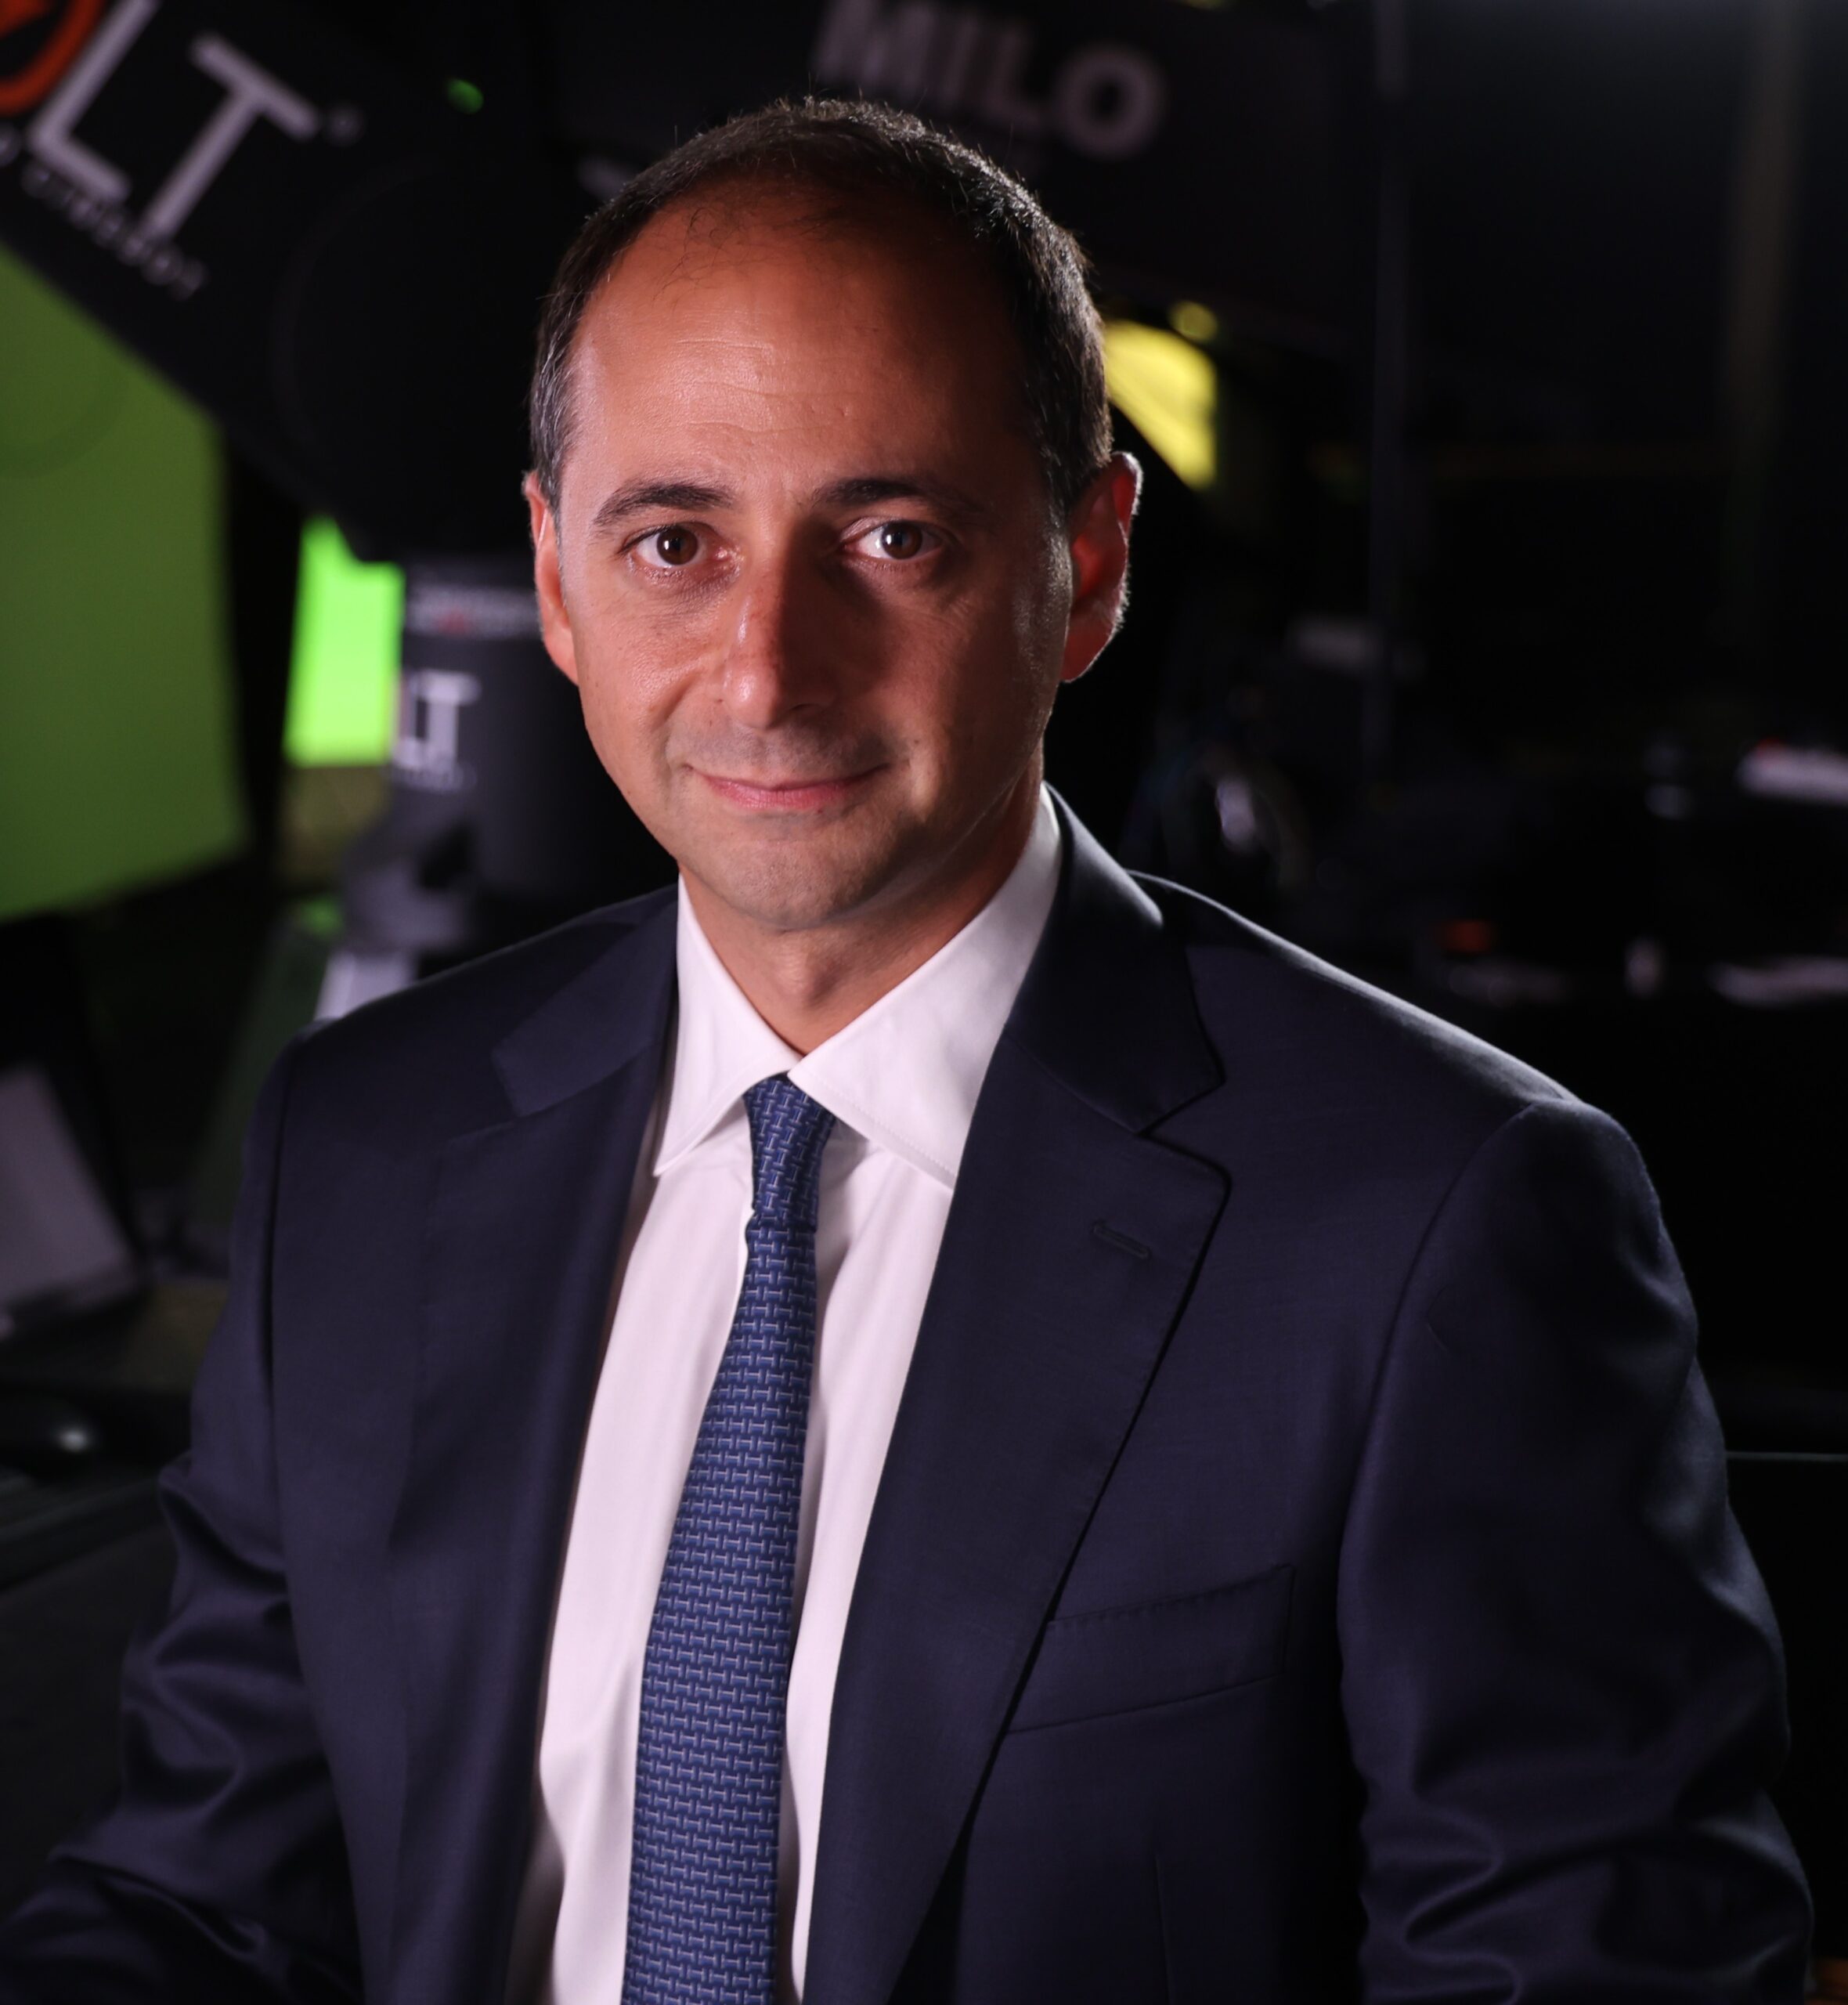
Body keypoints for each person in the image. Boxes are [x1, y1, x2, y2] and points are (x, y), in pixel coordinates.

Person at [0, 96, 1811, 2005]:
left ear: (1087, 562)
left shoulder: (1434, 1219)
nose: (769, 670)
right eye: (675, 541)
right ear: (552, 578)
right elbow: (205, 1910)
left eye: (890, 536)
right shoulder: (364, 1146)